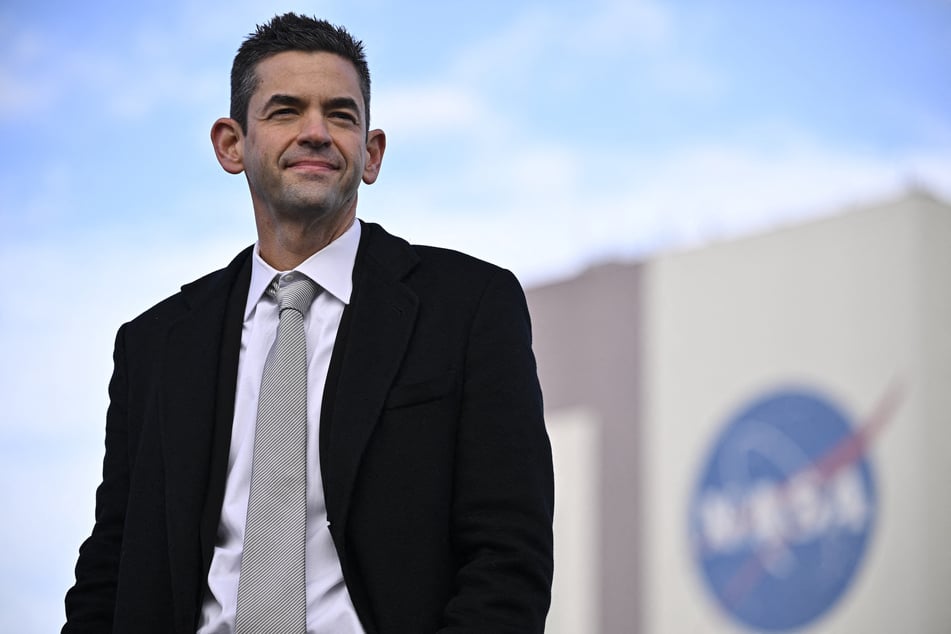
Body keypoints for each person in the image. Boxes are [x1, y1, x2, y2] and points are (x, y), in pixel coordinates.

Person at [62, 13, 554, 634]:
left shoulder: (469, 306)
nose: (316, 132)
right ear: (231, 144)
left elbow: (508, 558)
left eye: (341, 115)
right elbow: (111, 567)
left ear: (371, 154)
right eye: (286, 111)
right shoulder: (154, 346)